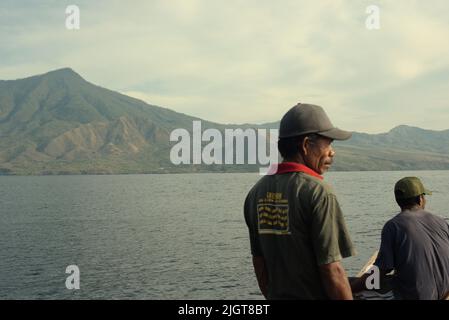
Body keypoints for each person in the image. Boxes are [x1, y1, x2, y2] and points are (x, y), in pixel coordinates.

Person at [244, 103, 356, 300]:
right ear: (305, 145)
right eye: (328, 144)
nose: (332, 152)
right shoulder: (319, 192)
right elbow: (332, 270)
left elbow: (259, 263)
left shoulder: (255, 193)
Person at [351, 177, 449, 300]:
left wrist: (350, 289)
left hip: (414, 296)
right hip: (444, 293)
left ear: (398, 201)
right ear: (420, 199)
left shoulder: (393, 225)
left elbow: (382, 270)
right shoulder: (442, 222)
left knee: (352, 286)